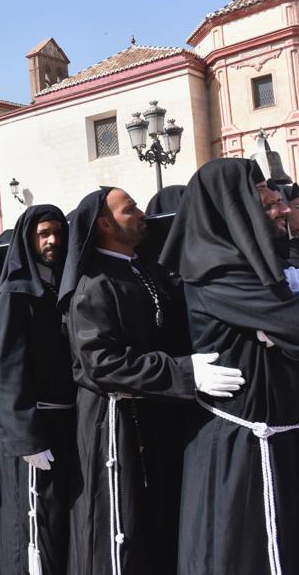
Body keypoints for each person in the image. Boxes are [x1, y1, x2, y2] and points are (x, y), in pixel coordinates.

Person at [159, 159, 299, 575]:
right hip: (247, 450)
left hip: (295, 434)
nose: (284, 210)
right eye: (267, 206)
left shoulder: (263, 268)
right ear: (234, 211)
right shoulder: (219, 276)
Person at [60, 187, 224, 575]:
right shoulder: (93, 284)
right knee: (126, 523)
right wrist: (184, 372)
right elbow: (101, 362)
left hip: (157, 414)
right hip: (117, 423)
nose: (140, 214)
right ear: (104, 224)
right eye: (129, 209)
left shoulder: (143, 269)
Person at [0, 205, 75, 575]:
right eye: (43, 234)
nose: (52, 240)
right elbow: (7, 372)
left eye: (57, 232)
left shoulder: (65, 283)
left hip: (68, 419)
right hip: (36, 426)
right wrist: (27, 438)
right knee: (36, 517)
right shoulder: (14, 294)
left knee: (61, 514)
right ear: (29, 239)